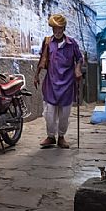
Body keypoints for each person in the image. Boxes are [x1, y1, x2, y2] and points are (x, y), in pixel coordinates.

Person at [34, 14, 83, 149]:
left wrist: (78, 69)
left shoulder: (72, 43)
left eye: (59, 28)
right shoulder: (48, 42)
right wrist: (36, 75)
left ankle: (61, 137)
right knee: (49, 114)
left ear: (64, 28)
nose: (57, 31)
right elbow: (42, 59)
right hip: (51, 83)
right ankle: (51, 136)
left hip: (67, 84)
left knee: (64, 114)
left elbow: (79, 58)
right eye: (54, 29)